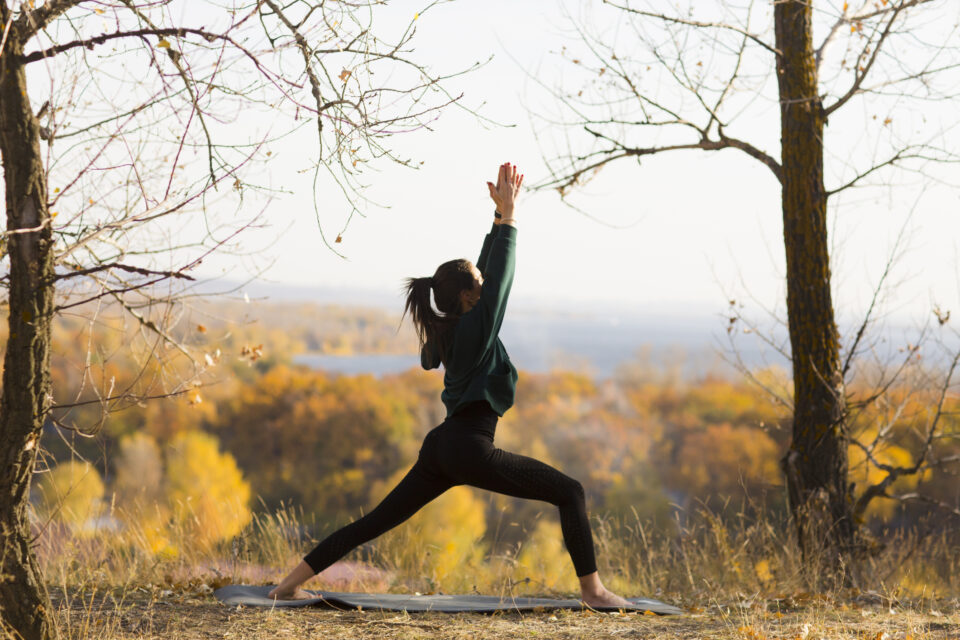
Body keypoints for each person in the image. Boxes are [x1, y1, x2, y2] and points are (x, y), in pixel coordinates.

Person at [268, 162, 631, 608]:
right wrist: (512, 222)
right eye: (477, 287)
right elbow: (497, 282)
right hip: (470, 449)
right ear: (467, 297)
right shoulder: (474, 328)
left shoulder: (450, 326)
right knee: (570, 492)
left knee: (374, 522)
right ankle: (593, 591)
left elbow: (480, 275)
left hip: (441, 448)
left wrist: (498, 219)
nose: (483, 287)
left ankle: (287, 585)